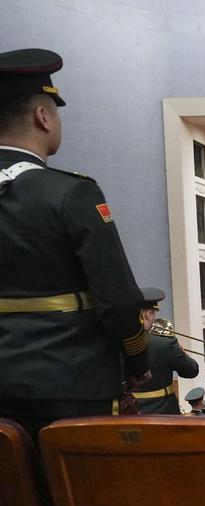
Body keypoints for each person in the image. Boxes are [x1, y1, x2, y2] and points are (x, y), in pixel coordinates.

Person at [0, 48, 149, 441]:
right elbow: (117, 299)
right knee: (79, 499)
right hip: (70, 384)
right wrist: (136, 359)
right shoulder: (71, 193)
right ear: (42, 116)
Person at [134, 287, 199, 415]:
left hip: (129, 411)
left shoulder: (116, 343)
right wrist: (181, 352)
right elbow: (192, 371)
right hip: (162, 411)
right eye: (153, 314)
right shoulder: (165, 344)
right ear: (148, 314)